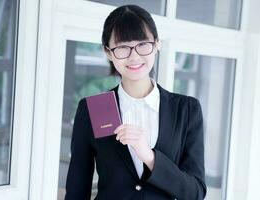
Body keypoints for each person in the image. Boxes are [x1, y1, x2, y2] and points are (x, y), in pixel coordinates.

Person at [65, 4, 206, 200]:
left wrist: (149, 156)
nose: (134, 56)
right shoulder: (95, 108)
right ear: (108, 51)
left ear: (156, 44)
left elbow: (195, 193)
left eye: (142, 45)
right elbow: (76, 189)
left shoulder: (186, 110)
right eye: (122, 47)